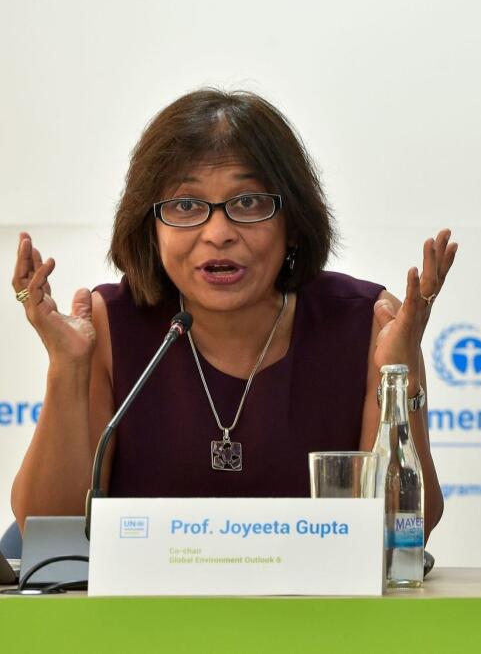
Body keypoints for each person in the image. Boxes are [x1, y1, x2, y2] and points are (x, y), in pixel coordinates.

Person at [9, 89, 456, 537]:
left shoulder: (361, 325)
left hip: (314, 606)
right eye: (186, 206)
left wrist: (400, 379)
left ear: (294, 224)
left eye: (247, 203)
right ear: (151, 227)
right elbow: (51, 532)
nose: (218, 233)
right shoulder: (112, 324)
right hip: (148, 607)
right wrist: (68, 368)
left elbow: (400, 532)